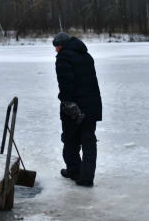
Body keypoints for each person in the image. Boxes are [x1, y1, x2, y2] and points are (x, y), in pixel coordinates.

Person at [53, 32, 102, 187]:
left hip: (74, 106)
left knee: (70, 139)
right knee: (88, 140)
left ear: (62, 45)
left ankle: (74, 171)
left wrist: (67, 103)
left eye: (56, 47)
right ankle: (86, 177)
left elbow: (66, 84)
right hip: (92, 104)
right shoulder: (86, 56)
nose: (55, 50)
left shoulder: (63, 58)